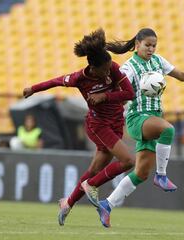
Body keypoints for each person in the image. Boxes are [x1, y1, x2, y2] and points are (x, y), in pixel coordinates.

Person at [94, 28, 184, 228]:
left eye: (154, 46)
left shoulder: (159, 61)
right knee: (168, 130)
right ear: (137, 44)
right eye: (148, 45)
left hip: (154, 118)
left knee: (141, 173)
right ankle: (161, 175)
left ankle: (106, 204)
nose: (151, 49)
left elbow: (181, 75)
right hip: (137, 118)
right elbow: (116, 91)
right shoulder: (128, 68)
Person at [22, 28, 135, 226]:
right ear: (93, 68)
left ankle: (68, 203)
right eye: (105, 70)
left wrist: (105, 96)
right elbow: (55, 81)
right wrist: (33, 88)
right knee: (127, 161)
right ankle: (91, 186)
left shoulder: (113, 68)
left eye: (110, 68)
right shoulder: (79, 79)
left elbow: (129, 93)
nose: (109, 73)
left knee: (95, 168)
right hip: (98, 125)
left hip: (116, 123)